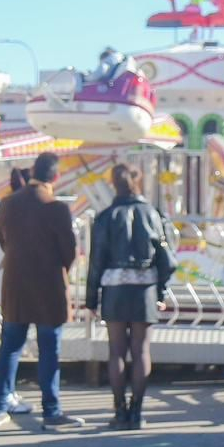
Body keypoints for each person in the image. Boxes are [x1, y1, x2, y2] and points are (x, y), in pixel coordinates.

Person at [0, 152, 84, 429]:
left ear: (33, 172)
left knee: (10, 348)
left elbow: (2, 239)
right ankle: (51, 412)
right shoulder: (56, 208)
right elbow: (69, 252)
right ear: (55, 177)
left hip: (15, 285)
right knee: (49, 351)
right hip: (48, 287)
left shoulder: (7, 203)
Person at [84, 164, 171, 429]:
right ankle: (138, 411)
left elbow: (96, 261)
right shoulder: (153, 214)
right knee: (141, 350)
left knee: (116, 352)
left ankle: (119, 411)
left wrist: (91, 298)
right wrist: (160, 290)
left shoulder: (105, 216)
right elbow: (166, 259)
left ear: (114, 184)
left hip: (114, 288)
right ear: (139, 181)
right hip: (144, 288)